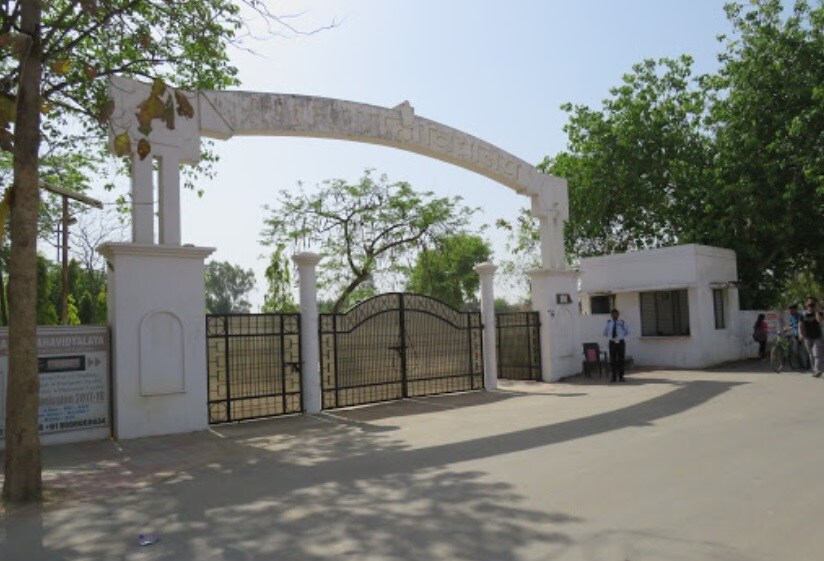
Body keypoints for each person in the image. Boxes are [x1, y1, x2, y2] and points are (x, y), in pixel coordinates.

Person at [603, 308, 630, 382]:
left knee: (621, 360)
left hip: (620, 342)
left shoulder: (622, 322)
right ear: (611, 315)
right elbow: (605, 332)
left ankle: (621, 377)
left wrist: (620, 336)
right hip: (612, 342)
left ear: (618, 314)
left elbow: (627, 332)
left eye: (616, 314)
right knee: (613, 360)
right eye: (613, 314)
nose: (615, 315)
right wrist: (611, 337)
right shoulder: (608, 323)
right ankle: (613, 377)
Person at [799, 298, 823, 377]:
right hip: (807, 336)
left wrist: (816, 311)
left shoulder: (818, 313)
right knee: (810, 353)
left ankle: (817, 370)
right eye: (809, 305)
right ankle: (814, 370)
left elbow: (819, 320)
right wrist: (801, 334)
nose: (811, 307)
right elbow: (800, 325)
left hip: (817, 336)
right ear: (806, 306)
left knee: (817, 353)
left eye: (812, 305)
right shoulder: (802, 314)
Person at [787, 303, 808, 368]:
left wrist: (801, 334)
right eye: (789, 310)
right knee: (795, 350)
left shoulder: (800, 316)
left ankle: (805, 365)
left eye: (791, 310)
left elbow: (800, 326)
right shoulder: (791, 316)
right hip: (794, 334)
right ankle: (800, 364)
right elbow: (791, 325)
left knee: (798, 350)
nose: (790, 312)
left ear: (795, 309)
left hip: (800, 335)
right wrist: (787, 327)